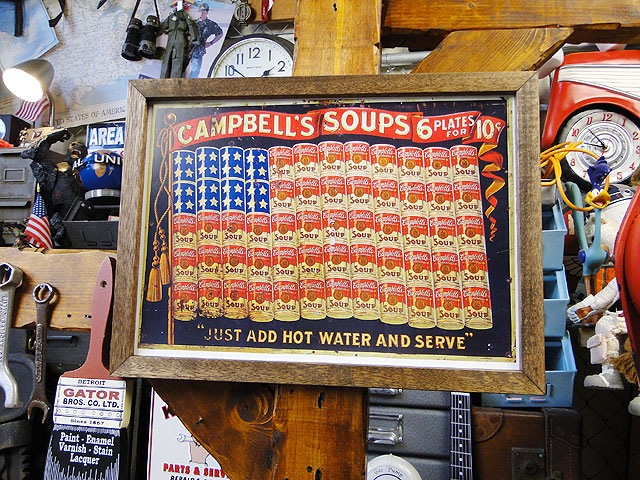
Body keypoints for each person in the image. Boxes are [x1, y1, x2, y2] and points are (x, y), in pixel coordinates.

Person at [188, 3, 223, 78]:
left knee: (194, 71)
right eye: (200, 11)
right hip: (187, 49)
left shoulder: (211, 25)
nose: (201, 13)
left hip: (198, 51)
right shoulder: (192, 23)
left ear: (207, 12)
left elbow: (220, 33)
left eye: (203, 12)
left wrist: (211, 43)